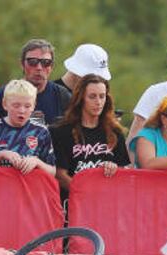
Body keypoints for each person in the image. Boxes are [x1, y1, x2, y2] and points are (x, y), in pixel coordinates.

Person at [50, 73, 129, 202]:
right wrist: (85, 194)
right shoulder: (60, 131)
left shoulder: (115, 131)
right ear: (81, 98)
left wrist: (114, 168)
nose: (98, 102)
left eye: (102, 96)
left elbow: (124, 170)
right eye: (92, 97)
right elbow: (60, 174)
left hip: (106, 202)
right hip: (71, 204)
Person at [0, 79, 55, 176]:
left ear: (34, 106)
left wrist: (37, 162)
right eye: (16, 105)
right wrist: (0, 156)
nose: (22, 110)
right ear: (5, 104)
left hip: (29, 189)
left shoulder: (41, 131)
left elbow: (53, 171)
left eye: (27, 106)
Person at [0, 39, 71, 125]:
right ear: (22, 64)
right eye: (32, 62)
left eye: (46, 62)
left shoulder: (62, 96)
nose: (39, 67)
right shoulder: (4, 95)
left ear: (51, 67)